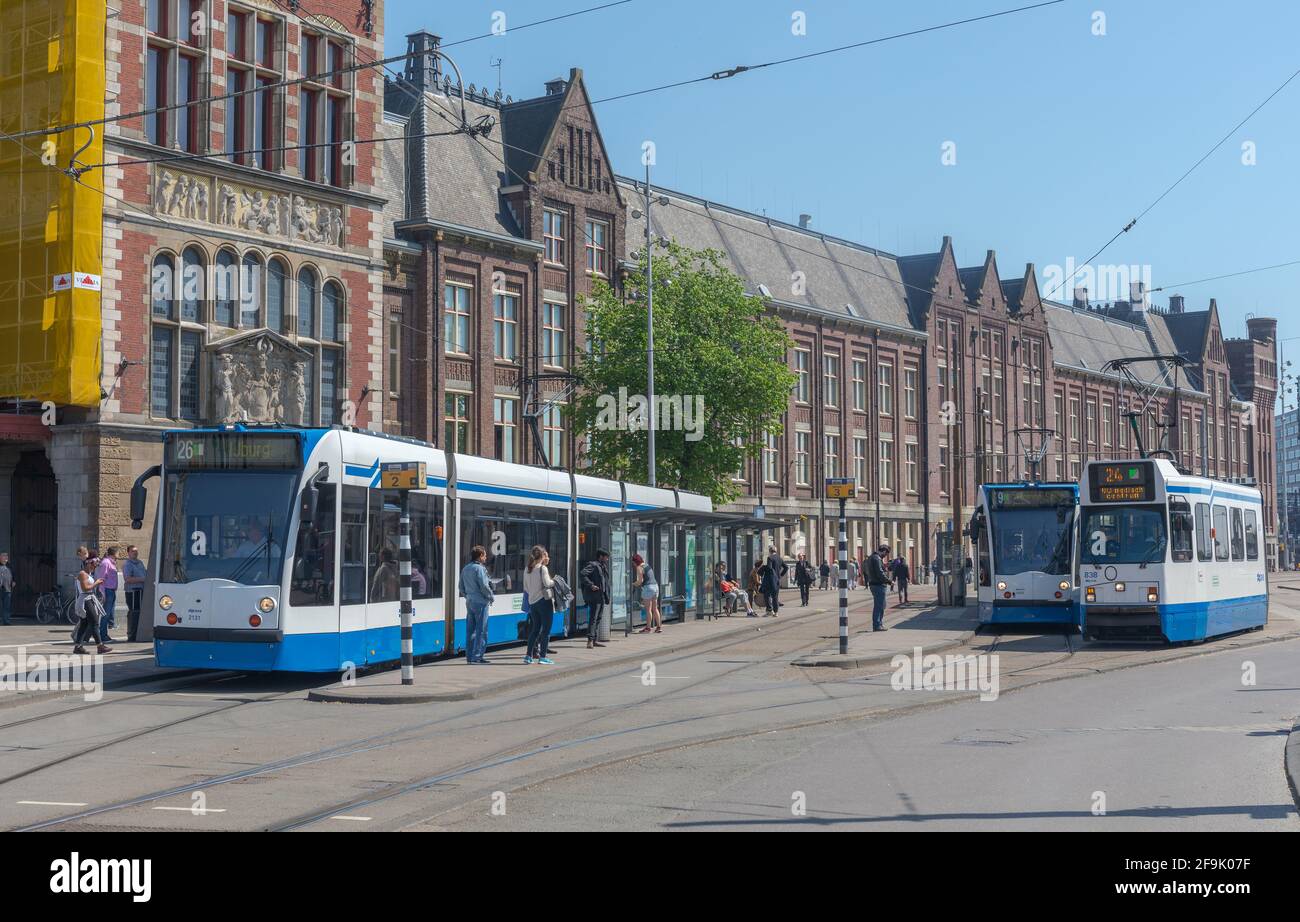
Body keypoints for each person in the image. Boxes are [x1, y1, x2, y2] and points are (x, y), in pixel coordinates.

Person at [459, 545, 494, 665]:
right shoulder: (480, 569)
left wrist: (468, 596)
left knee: (470, 630)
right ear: (480, 557)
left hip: (469, 602)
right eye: (484, 555)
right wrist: (490, 596)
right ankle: (478, 656)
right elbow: (484, 586)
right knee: (482, 630)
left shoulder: (466, 568)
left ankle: (469, 656)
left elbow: (461, 587)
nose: (486, 557)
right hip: (481, 602)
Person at [523, 545, 556, 664]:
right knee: (546, 630)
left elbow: (526, 588)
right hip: (544, 602)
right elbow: (547, 583)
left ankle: (528, 656)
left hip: (532, 602)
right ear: (542, 556)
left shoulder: (527, 569)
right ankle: (542, 657)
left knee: (534, 630)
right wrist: (555, 581)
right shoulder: (542, 568)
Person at [72, 557, 111, 656]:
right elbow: (85, 588)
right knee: (94, 622)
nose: (94, 568)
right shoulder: (82, 574)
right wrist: (96, 583)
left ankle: (78, 646)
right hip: (85, 600)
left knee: (84, 623)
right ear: (89, 563)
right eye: (94, 565)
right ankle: (100, 646)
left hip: (88, 598)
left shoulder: (87, 574)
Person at [580, 550, 611, 649]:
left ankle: (594, 640)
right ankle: (590, 640)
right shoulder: (593, 565)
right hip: (594, 596)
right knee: (593, 618)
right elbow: (582, 574)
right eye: (606, 557)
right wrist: (591, 585)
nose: (607, 559)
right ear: (601, 556)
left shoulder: (602, 566)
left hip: (601, 596)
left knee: (598, 618)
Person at [95, 547, 120, 643]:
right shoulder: (106, 563)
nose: (119, 555)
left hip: (112, 590)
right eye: (118, 553)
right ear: (114, 553)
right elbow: (101, 578)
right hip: (107, 591)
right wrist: (102, 592)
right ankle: (103, 635)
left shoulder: (112, 563)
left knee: (108, 614)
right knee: (105, 614)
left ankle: (104, 635)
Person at [632, 552, 661, 634]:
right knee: (655, 608)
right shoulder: (647, 565)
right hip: (655, 586)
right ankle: (658, 627)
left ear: (635, 562)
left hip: (648, 588)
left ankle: (648, 628)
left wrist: (632, 584)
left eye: (633, 562)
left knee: (648, 609)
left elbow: (640, 581)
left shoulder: (639, 567)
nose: (633, 564)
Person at [123, 545, 147, 642]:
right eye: (133, 551)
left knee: (139, 613)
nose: (135, 553)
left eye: (136, 551)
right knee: (134, 613)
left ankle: (138, 633)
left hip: (141, 591)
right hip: (132, 592)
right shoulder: (127, 564)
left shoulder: (140, 562)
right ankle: (132, 635)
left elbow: (145, 573)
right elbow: (127, 579)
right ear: (128, 553)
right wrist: (142, 579)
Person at [865, 544, 892, 631]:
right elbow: (879, 573)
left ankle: (879, 624)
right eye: (886, 554)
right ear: (884, 551)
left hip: (874, 584)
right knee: (879, 605)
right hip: (878, 585)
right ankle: (877, 625)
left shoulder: (872, 558)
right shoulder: (876, 558)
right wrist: (889, 581)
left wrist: (884, 566)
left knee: (881, 605)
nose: (886, 556)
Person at [762, 546, 787, 616]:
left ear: (770, 551)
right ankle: (776, 612)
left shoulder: (770, 558)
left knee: (767, 595)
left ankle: (769, 610)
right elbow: (786, 567)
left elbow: (769, 568)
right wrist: (781, 575)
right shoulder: (780, 558)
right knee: (775, 596)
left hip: (770, 580)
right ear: (776, 551)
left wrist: (764, 568)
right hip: (777, 580)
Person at [0, 551, 12, 626]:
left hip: (8, 589)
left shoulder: (10, 566)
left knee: (7, 606)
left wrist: (14, 581)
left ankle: (6, 621)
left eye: (6, 557)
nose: (6, 558)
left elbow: (13, 574)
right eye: (4, 557)